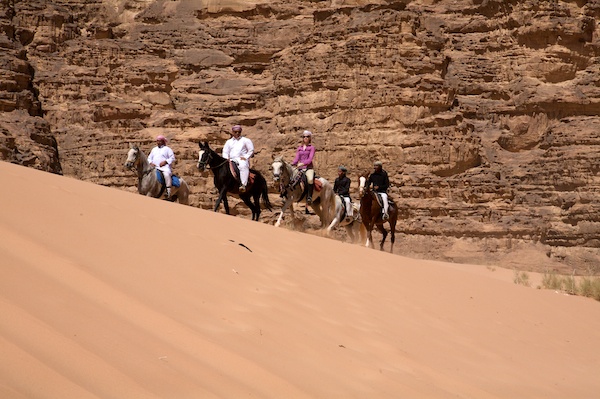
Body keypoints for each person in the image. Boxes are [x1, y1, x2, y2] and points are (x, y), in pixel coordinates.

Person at [222, 124, 254, 192]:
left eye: (239, 132)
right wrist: (226, 158)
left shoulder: (246, 140)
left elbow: (251, 150)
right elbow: (225, 151)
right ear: (233, 132)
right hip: (231, 159)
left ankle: (243, 184)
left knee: (243, 166)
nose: (237, 133)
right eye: (235, 132)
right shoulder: (229, 142)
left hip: (241, 159)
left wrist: (246, 157)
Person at [291, 130, 316, 204]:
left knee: (310, 179)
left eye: (307, 136)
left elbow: (310, 159)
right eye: (304, 136)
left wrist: (303, 163)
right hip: (300, 168)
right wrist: (293, 164)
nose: (305, 138)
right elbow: (296, 158)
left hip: (308, 168)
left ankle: (309, 197)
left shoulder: (312, 148)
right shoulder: (300, 148)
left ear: (310, 138)